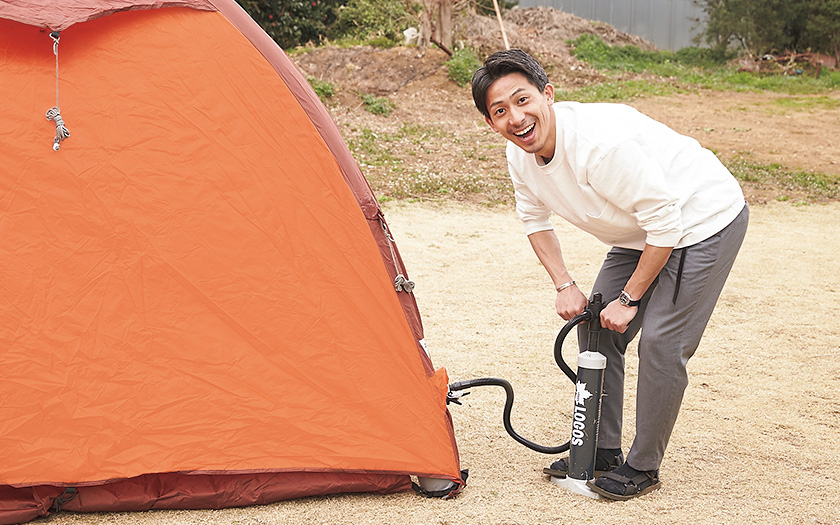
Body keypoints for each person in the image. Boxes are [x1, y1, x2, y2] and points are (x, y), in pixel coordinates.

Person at [471, 49, 748, 500]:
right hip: (644, 228)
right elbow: (534, 219)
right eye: (500, 111)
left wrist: (632, 298)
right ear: (490, 121)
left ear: (548, 94)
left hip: (700, 219)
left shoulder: (600, 148)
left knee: (661, 341)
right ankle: (602, 449)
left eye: (523, 101)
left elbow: (667, 224)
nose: (516, 118)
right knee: (596, 330)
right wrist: (565, 283)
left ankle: (643, 465)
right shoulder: (518, 155)